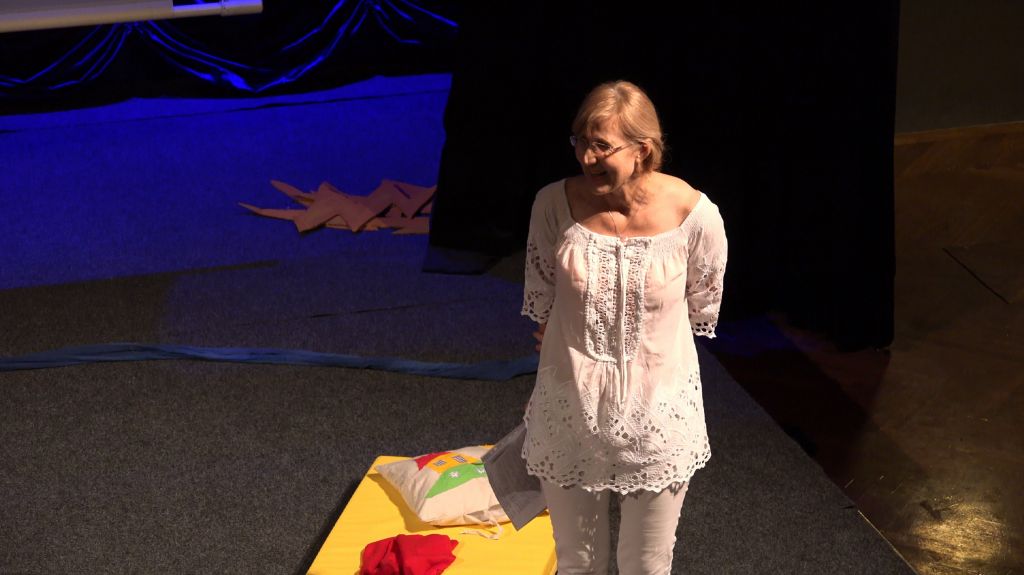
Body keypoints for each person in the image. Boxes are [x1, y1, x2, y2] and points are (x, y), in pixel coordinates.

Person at [519, 80, 728, 574]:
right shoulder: (552, 205)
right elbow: (542, 296)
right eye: (580, 142)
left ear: (643, 150)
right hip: (571, 416)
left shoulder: (695, 216)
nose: (586, 157)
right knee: (577, 563)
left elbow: (701, 304)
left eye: (601, 145)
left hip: (657, 423)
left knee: (645, 566)